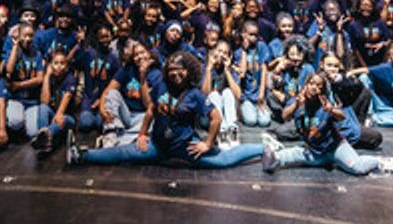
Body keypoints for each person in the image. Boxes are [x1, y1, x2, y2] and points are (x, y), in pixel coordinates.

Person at [69, 51, 260, 168]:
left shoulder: (195, 94)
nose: (176, 74)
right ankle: (81, 154)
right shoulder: (162, 86)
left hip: (187, 148)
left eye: (180, 70)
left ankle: (265, 149)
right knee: (124, 153)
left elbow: (216, 118)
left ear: (189, 71)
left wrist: (208, 144)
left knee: (225, 160)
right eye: (172, 70)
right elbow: (151, 110)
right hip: (158, 145)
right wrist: (143, 134)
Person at [260, 72, 393, 175]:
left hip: (335, 148)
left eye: (319, 86)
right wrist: (297, 104)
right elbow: (285, 116)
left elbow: (342, 117)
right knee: (295, 154)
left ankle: (380, 162)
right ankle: (275, 157)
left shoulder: (325, 105)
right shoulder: (298, 102)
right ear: (305, 85)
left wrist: (331, 110)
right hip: (314, 151)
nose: (314, 87)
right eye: (311, 84)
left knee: (356, 167)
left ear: (322, 91)